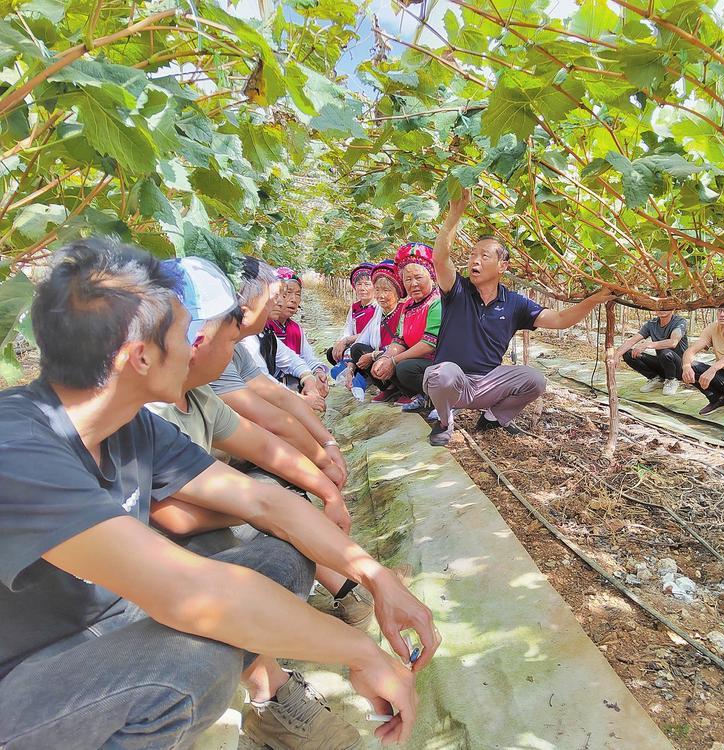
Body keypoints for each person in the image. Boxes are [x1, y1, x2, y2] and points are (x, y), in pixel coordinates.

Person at [0, 239, 435, 750]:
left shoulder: (131, 424)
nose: (197, 348)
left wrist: (377, 578)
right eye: (185, 335)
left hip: (118, 616)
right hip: (29, 672)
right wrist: (362, 653)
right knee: (192, 666)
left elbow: (266, 503)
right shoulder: (17, 448)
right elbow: (191, 593)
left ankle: (267, 690)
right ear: (141, 357)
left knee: (284, 556)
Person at [145, 257, 380, 747]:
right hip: (140, 575)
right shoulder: (151, 411)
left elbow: (266, 441)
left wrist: (322, 482)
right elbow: (175, 517)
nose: (237, 342)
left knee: (282, 527)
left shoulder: (196, 395)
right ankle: (268, 692)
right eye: (230, 332)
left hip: (186, 525)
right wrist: (267, 507)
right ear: (197, 340)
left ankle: (277, 666)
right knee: (258, 557)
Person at [422, 189, 615, 446]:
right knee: (441, 374)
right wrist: (455, 214)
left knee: (534, 380)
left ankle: (492, 418)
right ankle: (445, 422)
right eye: (472, 255)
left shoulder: (514, 303)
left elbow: (560, 319)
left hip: (487, 384)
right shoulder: (457, 290)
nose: (475, 261)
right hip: (454, 383)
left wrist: (592, 300)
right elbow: (439, 258)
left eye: (484, 256)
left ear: (502, 266)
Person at [211, 257, 348, 490]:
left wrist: (328, 443)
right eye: (274, 298)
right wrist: (324, 467)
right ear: (245, 310)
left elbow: (280, 396)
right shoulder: (216, 353)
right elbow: (271, 419)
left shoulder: (238, 347)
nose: (280, 302)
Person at [370, 243, 442, 411]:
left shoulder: (437, 302)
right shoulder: (408, 305)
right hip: (416, 360)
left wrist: (394, 361)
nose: (413, 283)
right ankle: (416, 395)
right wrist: (386, 358)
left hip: (437, 361)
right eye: (408, 279)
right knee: (380, 363)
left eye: (418, 277)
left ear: (432, 277)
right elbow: (399, 339)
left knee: (403, 368)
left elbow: (429, 344)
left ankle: (435, 396)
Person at [350, 259, 406, 402]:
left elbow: (405, 345)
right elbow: (362, 339)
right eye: (377, 290)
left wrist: (374, 355)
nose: (380, 295)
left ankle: (406, 391)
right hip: (382, 356)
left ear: (397, 292)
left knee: (400, 363)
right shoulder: (378, 313)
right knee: (357, 349)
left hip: (398, 355)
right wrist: (350, 369)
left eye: (386, 290)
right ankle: (388, 389)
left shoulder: (403, 311)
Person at [268, 267, 329, 393]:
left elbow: (307, 358)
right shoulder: (263, 326)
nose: (293, 299)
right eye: (287, 293)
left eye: (298, 294)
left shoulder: (295, 329)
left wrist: (318, 372)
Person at [326, 263, 380, 398]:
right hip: (354, 344)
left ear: (374, 286)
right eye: (359, 284)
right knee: (332, 352)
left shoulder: (378, 307)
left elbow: (372, 333)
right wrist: (341, 342)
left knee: (356, 350)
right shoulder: (355, 307)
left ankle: (363, 376)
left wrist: (347, 340)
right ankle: (354, 375)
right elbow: (348, 329)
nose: (362, 288)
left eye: (367, 284)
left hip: (370, 346)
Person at [612, 311, 688, 395]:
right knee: (628, 354)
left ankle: (671, 380)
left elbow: (673, 342)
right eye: (660, 307)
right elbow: (631, 341)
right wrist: (616, 355)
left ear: (673, 308)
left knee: (665, 352)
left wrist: (647, 345)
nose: (662, 310)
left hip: (679, 368)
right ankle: (656, 379)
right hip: (662, 364)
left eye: (666, 307)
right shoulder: (652, 324)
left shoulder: (680, 322)